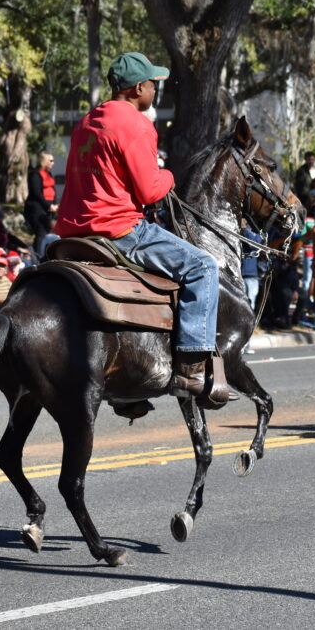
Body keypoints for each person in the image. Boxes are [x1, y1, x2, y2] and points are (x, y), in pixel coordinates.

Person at [55, 52, 230, 404]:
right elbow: (150, 190)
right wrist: (168, 174)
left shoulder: (88, 120)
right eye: (153, 84)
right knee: (202, 267)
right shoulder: (135, 124)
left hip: (73, 232)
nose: (155, 90)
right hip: (119, 229)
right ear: (138, 88)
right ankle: (192, 370)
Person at [25, 151, 59, 250]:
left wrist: (54, 205)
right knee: (41, 232)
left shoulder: (49, 174)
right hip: (37, 209)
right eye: (51, 160)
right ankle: (38, 256)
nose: (53, 163)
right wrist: (48, 206)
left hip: (48, 208)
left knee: (48, 232)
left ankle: (46, 254)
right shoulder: (34, 174)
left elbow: (52, 190)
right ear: (44, 161)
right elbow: (36, 193)